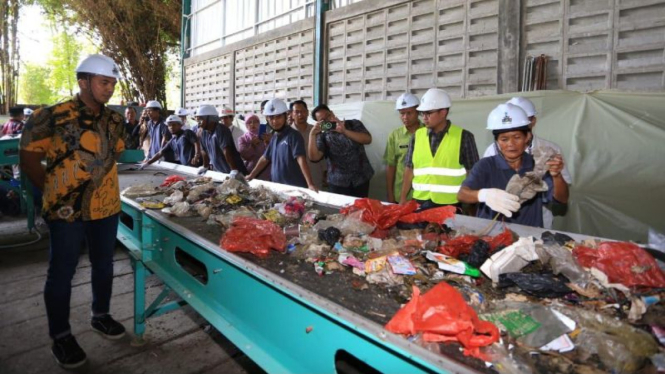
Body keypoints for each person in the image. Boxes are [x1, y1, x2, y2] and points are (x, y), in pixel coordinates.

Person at [19, 54, 126, 369]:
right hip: (66, 212)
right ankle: (61, 336)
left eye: (113, 83)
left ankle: (101, 315)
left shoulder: (115, 120)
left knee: (104, 265)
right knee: (62, 272)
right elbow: (28, 161)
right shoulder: (49, 116)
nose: (110, 89)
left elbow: (114, 155)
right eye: (104, 82)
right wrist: (54, 193)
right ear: (84, 82)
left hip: (106, 208)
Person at [457, 103, 569, 227]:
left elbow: (561, 200)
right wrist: (485, 195)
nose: (511, 144)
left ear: (527, 137)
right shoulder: (485, 165)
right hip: (492, 237)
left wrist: (557, 176)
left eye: (517, 137)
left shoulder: (538, 165)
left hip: (528, 238)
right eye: (504, 139)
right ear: (497, 141)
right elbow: (462, 194)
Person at [399, 88, 479, 208]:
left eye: (429, 113)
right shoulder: (417, 136)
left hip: (451, 204)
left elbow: (472, 173)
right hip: (420, 201)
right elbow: (409, 169)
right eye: (423, 113)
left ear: (443, 112)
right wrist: (403, 198)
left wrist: (471, 205)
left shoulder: (464, 137)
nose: (424, 118)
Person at [247, 99, 317, 191]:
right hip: (278, 187)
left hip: (294, 189)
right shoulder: (275, 136)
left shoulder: (294, 135)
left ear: (286, 115)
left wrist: (310, 184)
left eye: (278, 117)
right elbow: (265, 158)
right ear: (267, 119)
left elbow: (301, 159)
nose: (275, 121)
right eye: (271, 118)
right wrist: (251, 175)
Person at [308, 104, 374, 197]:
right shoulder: (322, 136)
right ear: (319, 123)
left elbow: (368, 139)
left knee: (360, 208)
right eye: (323, 120)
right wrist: (312, 135)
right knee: (340, 210)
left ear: (332, 112)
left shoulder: (353, 124)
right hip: (338, 182)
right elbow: (314, 157)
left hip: (361, 177)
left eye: (328, 115)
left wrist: (345, 131)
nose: (328, 120)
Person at [384, 93, 423, 203]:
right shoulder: (394, 136)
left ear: (418, 111)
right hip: (401, 195)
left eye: (409, 113)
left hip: (423, 194)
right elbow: (390, 166)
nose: (405, 117)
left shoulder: (428, 133)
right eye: (402, 113)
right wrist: (390, 194)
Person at [196, 104, 248, 175]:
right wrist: (205, 166)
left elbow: (226, 150)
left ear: (210, 119)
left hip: (235, 171)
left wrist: (234, 169)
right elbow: (204, 151)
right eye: (198, 120)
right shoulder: (203, 132)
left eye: (201, 120)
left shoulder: (221, 130)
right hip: (220, 170)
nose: (198, 123)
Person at [290, 100, 326, 190]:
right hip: (295, 178)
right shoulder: (287, 134)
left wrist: (325, 172)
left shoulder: (316, 130)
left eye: (302, 111)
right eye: (297, 112)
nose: (300, 114)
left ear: (307, 112)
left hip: (315, 176)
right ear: (291, 114)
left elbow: (322, 153)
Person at [237, 113, 270, 180]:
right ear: (246, 125)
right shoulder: (243, 139)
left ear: (259, 123)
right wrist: (252, 146)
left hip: (268, 171)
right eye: (249, 122)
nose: (252, 124)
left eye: (255, 122)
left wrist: (268, 142)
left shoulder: (266, 136)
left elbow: (272, 154)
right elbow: (244, 156)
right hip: (251, 171)